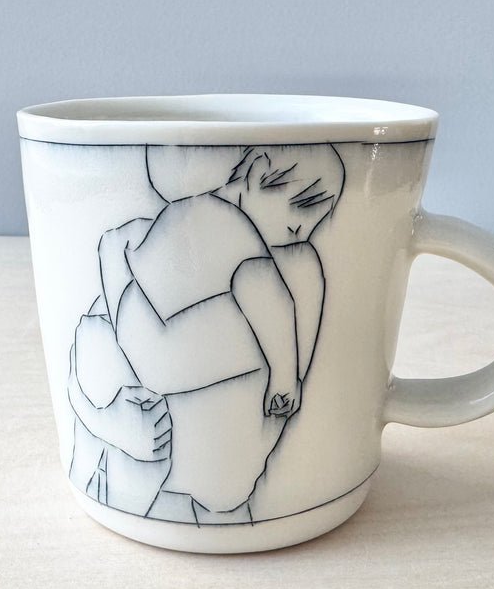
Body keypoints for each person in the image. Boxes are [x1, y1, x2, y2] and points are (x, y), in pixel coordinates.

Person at [68, 144, 344, 523]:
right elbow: (268, 299)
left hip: (143, 353)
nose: (302, 231)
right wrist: (284, 375)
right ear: (256, 171)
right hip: (156, 383)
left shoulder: (195, 218)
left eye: (318, 220)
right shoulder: (231, 224)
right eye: (302, 207)